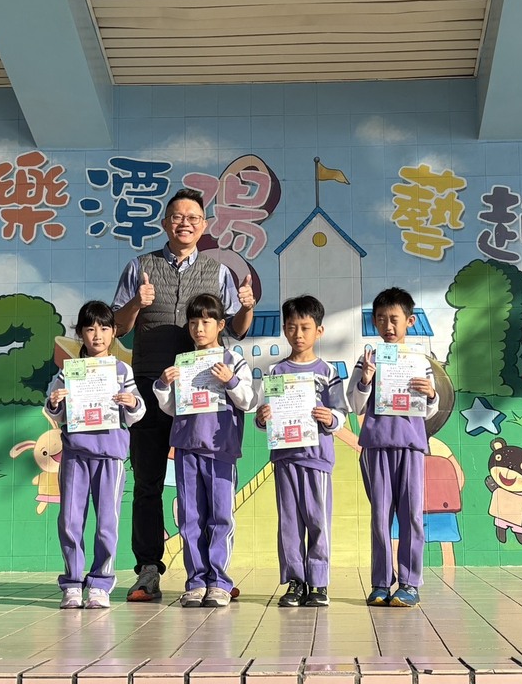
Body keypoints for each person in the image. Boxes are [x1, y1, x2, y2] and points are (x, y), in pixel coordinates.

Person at [112, 188, 256, 602]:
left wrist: (246, 306)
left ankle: (214, 574)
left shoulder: (218, 271)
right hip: (152, 383)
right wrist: (137, 303)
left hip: (205, 393)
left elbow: (236, 329)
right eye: (177, 217)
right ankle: (148, 570)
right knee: (148, 481)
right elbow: (119, 326)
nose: (185, 223)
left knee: (209, 487)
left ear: (204, 225)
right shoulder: (140, 266)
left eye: (193, 217)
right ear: (165, 223)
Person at [152, 293, 256, 607]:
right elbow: (173, 408)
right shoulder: (183, 362)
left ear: (221, 325)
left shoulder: (233, 360)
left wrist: (231, 381)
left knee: (220, 516)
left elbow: (249, 401)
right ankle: (196, 582)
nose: (199, 328)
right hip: (186, 447)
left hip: (221, 449)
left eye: (207, 322)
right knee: (190, 518)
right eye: (194, 322)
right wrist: (162, 385)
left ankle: (219, 582)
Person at [45, 301, 146, 609]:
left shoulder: (122, 371)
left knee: (107, 522)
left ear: (114, 332)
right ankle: (72, 584)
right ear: (80, 333)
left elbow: (138, 411)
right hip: (75, 454)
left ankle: (101, 583)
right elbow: (54, 411)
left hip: (110, 455)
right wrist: (55, 402)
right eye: (90, 329)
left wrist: (131, 402)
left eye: (104, 328)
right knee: (70, 521)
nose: (97, 335)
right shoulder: (69, 372)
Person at [347, 287, 439, 608]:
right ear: (374, 322)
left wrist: (430, 394)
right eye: (382, 319)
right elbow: (355, 405)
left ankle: (410, 583)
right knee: (380, 516)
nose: (388, 326)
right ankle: (381, 583)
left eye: (395, 319)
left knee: (411, 514)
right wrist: (365, 380)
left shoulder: (420, 361)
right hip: (376, 445)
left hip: (411, 446)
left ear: (409, 321)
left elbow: (429, 409)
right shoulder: (368, 359)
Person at [254, 295, 347, 607]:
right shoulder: (275, 371)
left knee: (318, 520)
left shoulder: (328, 371)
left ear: (319, 331)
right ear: (284, 329)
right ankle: (295, 581)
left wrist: (330, 418)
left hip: (317, 457)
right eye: (292, 327)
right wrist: (262, 417)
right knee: (289, 523)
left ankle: (318, 583)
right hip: (285, 457)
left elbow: (341, 411)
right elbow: (263, 415)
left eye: (305, 327)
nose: (298, 334)